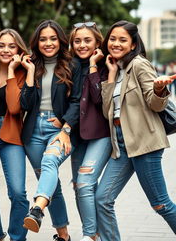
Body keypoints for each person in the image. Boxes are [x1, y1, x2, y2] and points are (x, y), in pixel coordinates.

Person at [95, 20, 176, 241]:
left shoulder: (139, 64)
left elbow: (155, 103)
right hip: (121, 144)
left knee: (161, 204)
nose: (116, 43)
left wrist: (159, 89)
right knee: (102, 199)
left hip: (144, 143)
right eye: (112, 39)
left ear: (133, 45)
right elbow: (107, 112)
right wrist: (110, 76)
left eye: (123, 40)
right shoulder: (114, 68)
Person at [20, 19, 81, 241]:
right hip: (33, 131)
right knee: (51, 182)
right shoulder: (31, 65)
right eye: (43, 39)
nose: (48, 43)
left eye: (53, 38)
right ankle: (63, 237)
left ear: (60, 40)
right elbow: (24, 105)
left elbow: (77, 101)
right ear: (37, 42)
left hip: (61, 129)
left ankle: (36, 210)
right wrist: (29, 72)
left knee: (49, 163)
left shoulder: (72, 65)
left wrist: (66, 127)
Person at [68, 22, 112, 241]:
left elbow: (100, 99)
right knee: (79, 186)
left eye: (87, 40)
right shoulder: (70, 66)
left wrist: (94, 66)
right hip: (77, 134)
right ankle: (94, 234)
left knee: (85, 183)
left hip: (100, 134)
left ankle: (89, 235)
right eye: (77, 41)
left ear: (97, 42)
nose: (82, 45)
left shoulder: (107, 65)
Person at [0, 29, 30, 241]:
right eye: (2, 45)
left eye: (11, 46)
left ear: (18, 49)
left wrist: (12, 70)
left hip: (11, 135)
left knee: (18, 192)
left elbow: (14, 107)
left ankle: (17, 238)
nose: (6, 50)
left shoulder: (23, 72)